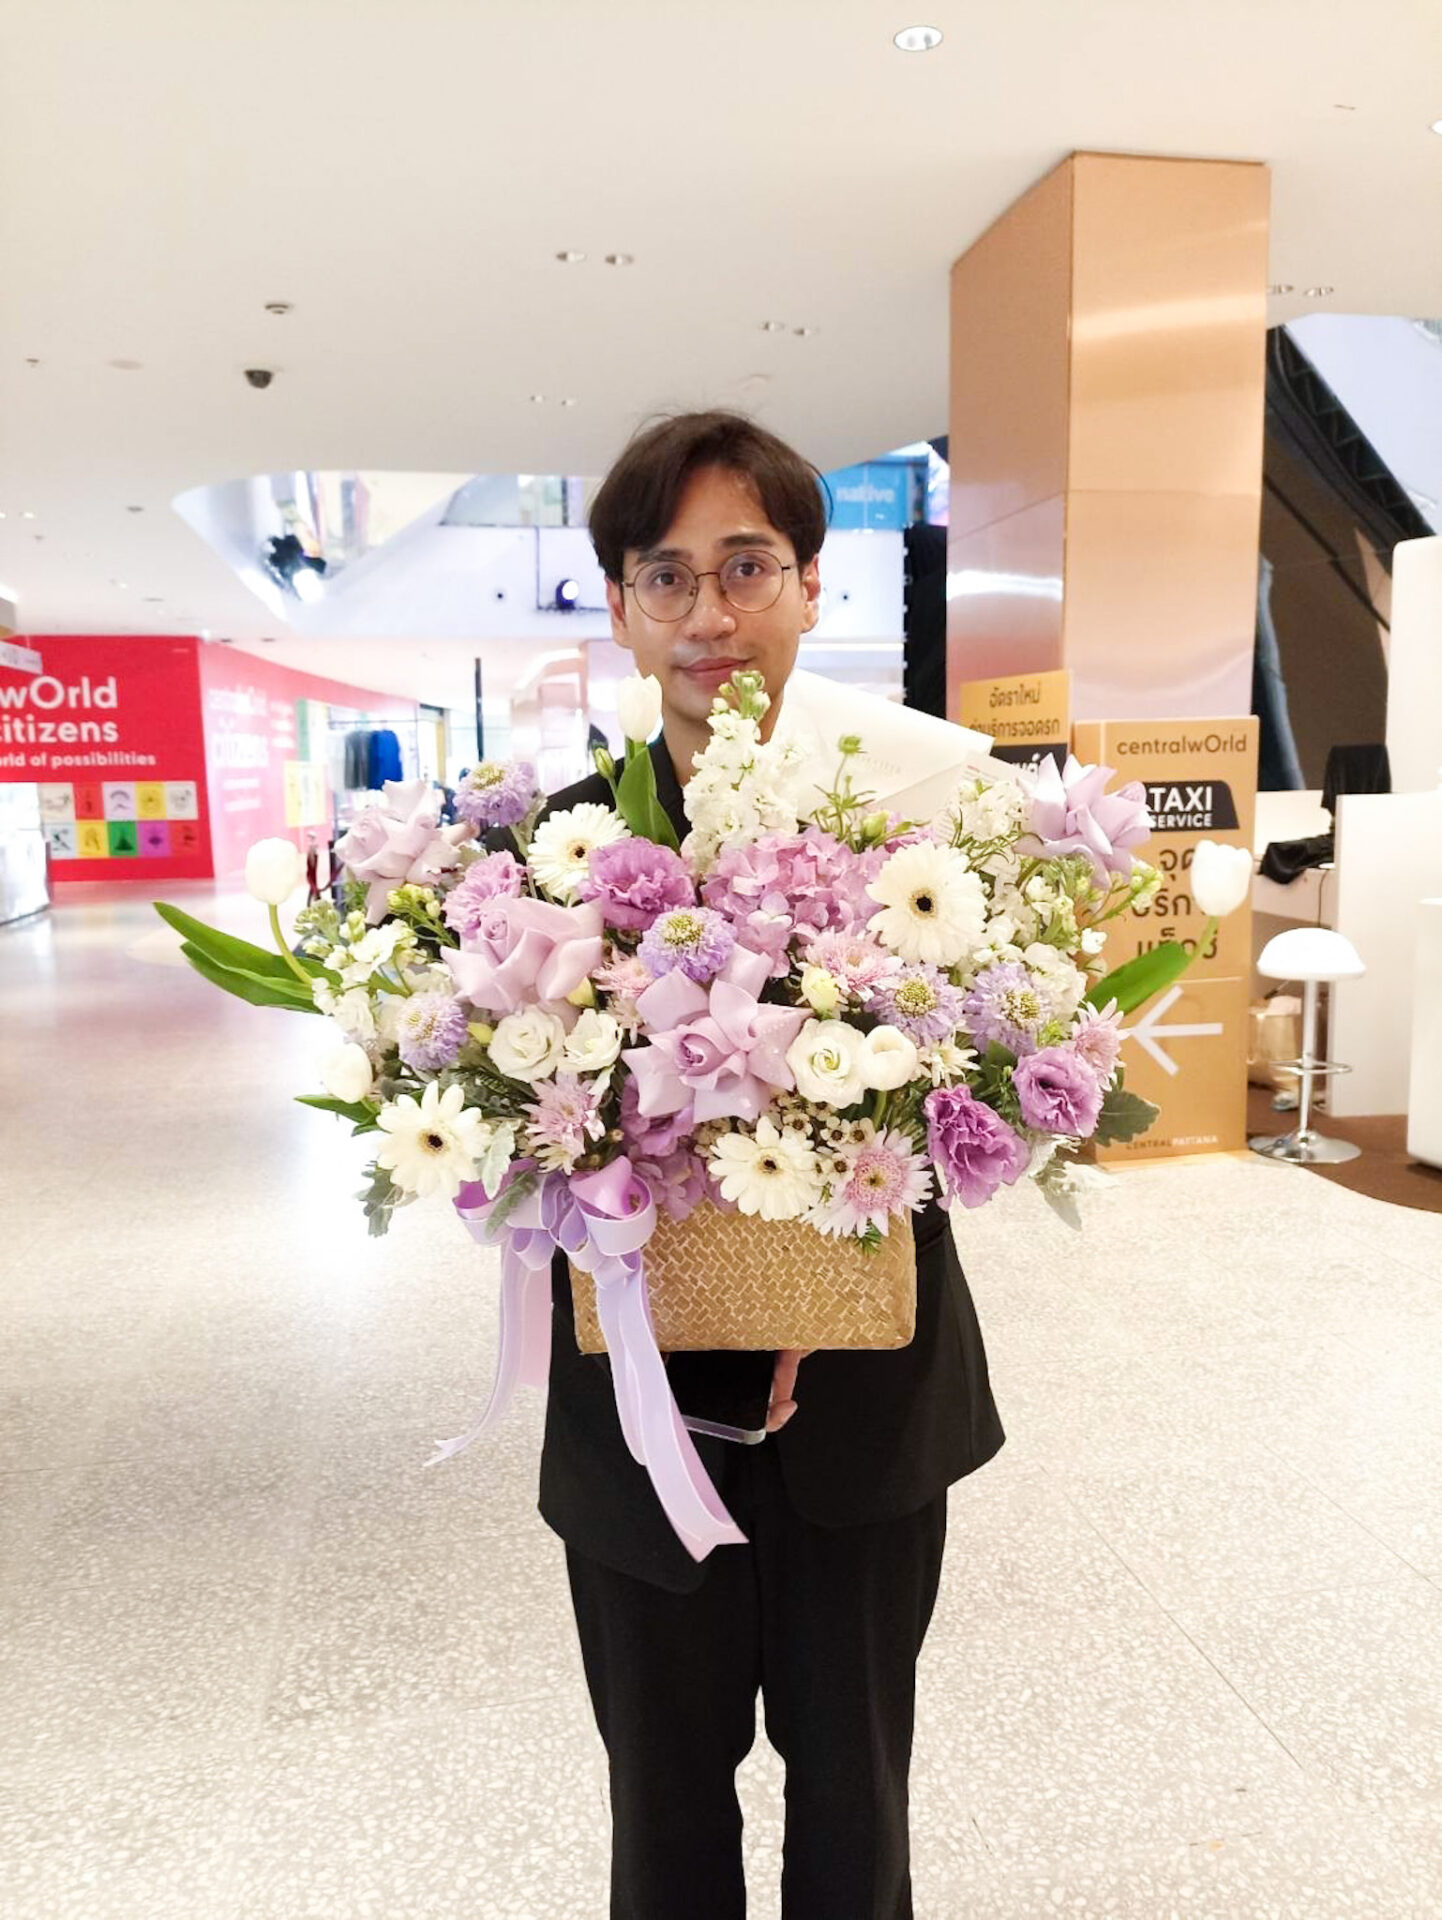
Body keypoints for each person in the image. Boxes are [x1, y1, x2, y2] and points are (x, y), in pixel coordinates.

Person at [534, 411, 1005, 1919]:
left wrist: (821, 1250)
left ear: (814, 585)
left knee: (853, 1793)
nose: (708, 615)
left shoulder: (915, 825)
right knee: (660, 1807)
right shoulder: (547, 853)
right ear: (618, 606)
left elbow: (975, 1100)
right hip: (635, 1413)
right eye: (665, 576)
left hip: (861, 1410)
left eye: (745, 566)